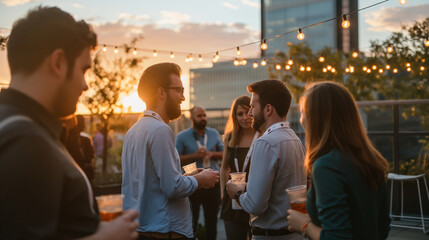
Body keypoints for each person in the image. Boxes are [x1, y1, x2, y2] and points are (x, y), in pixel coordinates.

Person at [0, 6, 138, 239]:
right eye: (84, 70)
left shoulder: (17, 125)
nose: (85, 86)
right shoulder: (27, 140)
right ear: (58, 62)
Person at [121, 62, 220, 240]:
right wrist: (200, 180)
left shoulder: (133, 131)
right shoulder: (160, 130)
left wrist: (188, 178)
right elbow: (172, 188)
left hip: (141, 228)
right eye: (179, 90)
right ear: (161, 92)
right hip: (163, 231)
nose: (183, 98)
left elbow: (150, 182)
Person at [287, 82, 391, 240]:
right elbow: (382, 227)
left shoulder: (326, 167)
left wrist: (304, 224)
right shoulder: (372, 159)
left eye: (302, 112)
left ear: (316, 118)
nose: (301, 119)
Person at [226, 79, 306, 240]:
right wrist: (251, 186)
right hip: (294, 234)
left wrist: (237, 192)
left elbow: (256, 206)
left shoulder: (265, 142)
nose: (249, 113)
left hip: (271, 235)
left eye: (253, 107)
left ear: (268, 109)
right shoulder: (295, 139)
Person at [175, 105, 224, 240]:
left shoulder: (213, 133)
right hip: (193, 183)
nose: (203, 118)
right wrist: (195, 155)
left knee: (212, 221)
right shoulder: (182, 136)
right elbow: (175, 158)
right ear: (191, 118)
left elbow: (224, 153)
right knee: (192, 220)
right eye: (199, 116)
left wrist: (211, 154)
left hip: (212, 181)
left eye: (204, 115)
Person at [220, 95, 259, 240]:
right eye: (239, 114)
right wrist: (223, 195)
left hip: (254, 198)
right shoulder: (230, 138)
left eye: (247, 112)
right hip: (232, 202)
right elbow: (224, 168)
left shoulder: (262, 137)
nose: (245, 117)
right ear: (234, 116)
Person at [62, 114, 95, 180]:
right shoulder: (67, 140)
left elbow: (90, 156)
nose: (84, 126)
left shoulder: (86, 140)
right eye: (82, 123)